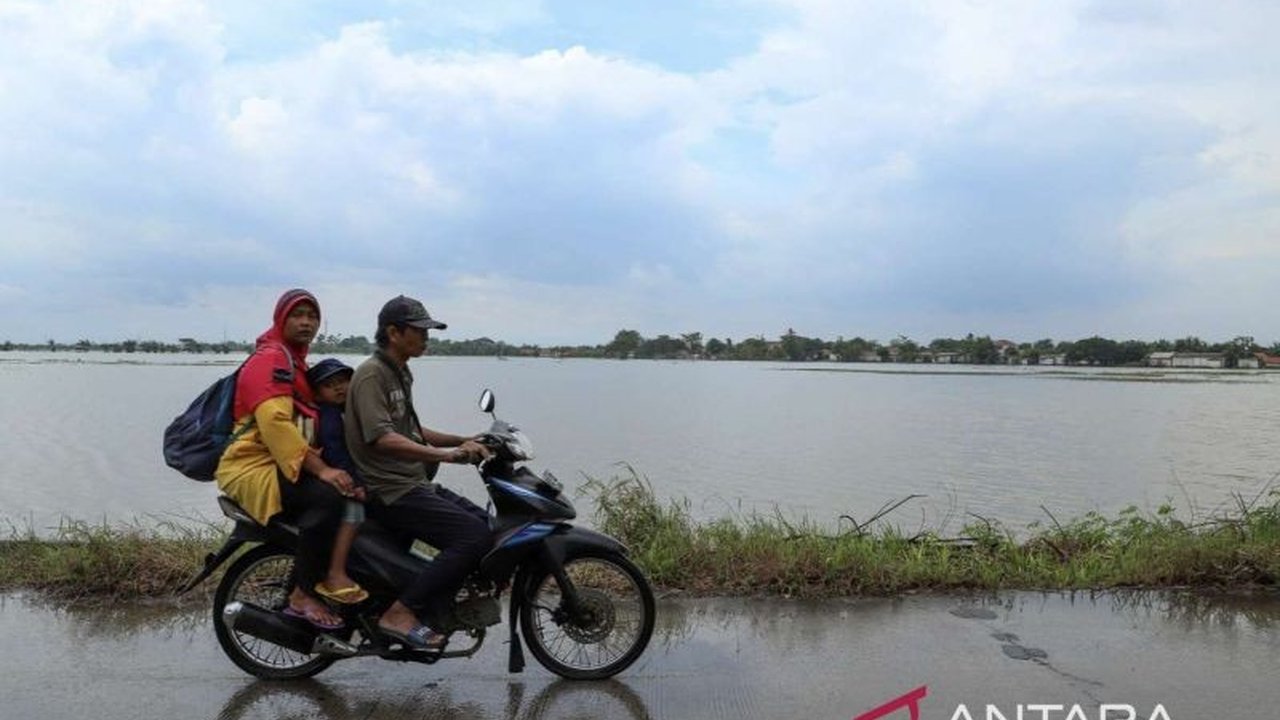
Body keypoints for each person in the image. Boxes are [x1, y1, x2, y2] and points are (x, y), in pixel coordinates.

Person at [344, 295, 492, 650]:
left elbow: (411, 430)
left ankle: (437, 603)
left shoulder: (399, 371)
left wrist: (464, 438)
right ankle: (400, 612)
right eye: (419, 331)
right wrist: (447, 454)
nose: (426, 338)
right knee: (471, 536)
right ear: (393, 333)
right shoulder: (371, 375)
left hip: (410, 481)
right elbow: (383, 438)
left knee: (487, 528)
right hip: (389, 488)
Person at [215, 288, 359, 631]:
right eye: (298, 314)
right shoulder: (272, 359)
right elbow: (275, 423)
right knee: (329, 498)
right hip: (252, 466)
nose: (307, 322)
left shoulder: (294, 361)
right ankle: (302, 593)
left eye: (312, 316)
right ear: (281, 319)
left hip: (278, 462)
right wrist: (322, 469)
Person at [306, 358, 369, 605]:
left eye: (343, 381)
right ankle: (336, 571)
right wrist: (356, 484)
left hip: (340, 475)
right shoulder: (330, 416)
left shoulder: (346, 411)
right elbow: (336, 454)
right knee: (355, 514)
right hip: (337, 478)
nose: (339, 388)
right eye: (330, 385)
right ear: (318, 394)